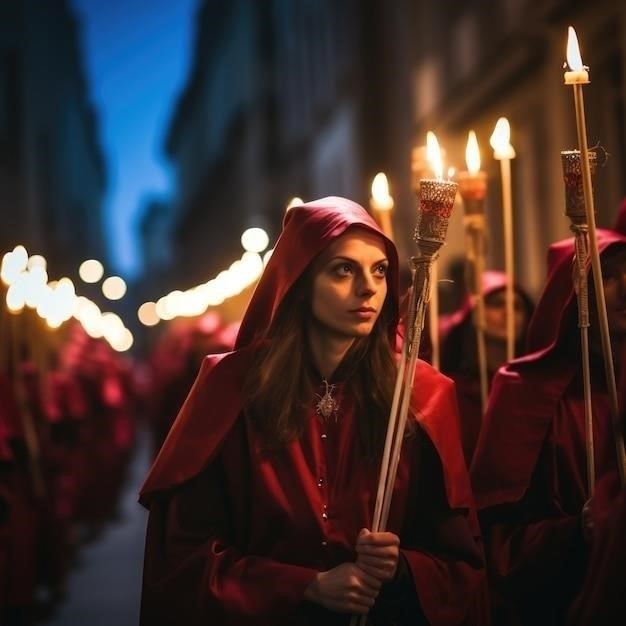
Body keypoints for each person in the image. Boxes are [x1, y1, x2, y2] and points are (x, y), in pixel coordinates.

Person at [138, 196, 487, 626]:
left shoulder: (420, 394)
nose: (369, 288)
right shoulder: (231, 391)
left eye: (380, 270)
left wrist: (400, 567)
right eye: (344, 269)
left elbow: (462, 566)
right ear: (300, 282)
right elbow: (183, 563)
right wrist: (305, 586)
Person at [470, 229, 626, 625]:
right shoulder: (524, 393)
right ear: (570, 293)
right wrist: (578, 531)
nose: (625, 287)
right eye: (606, 276)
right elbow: (493, 543)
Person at [439, 271, 534, 466]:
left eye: (517, 307)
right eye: (497, 304)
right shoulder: (451, 391)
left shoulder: (532, 387)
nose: (508, 313)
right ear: (475, 313)